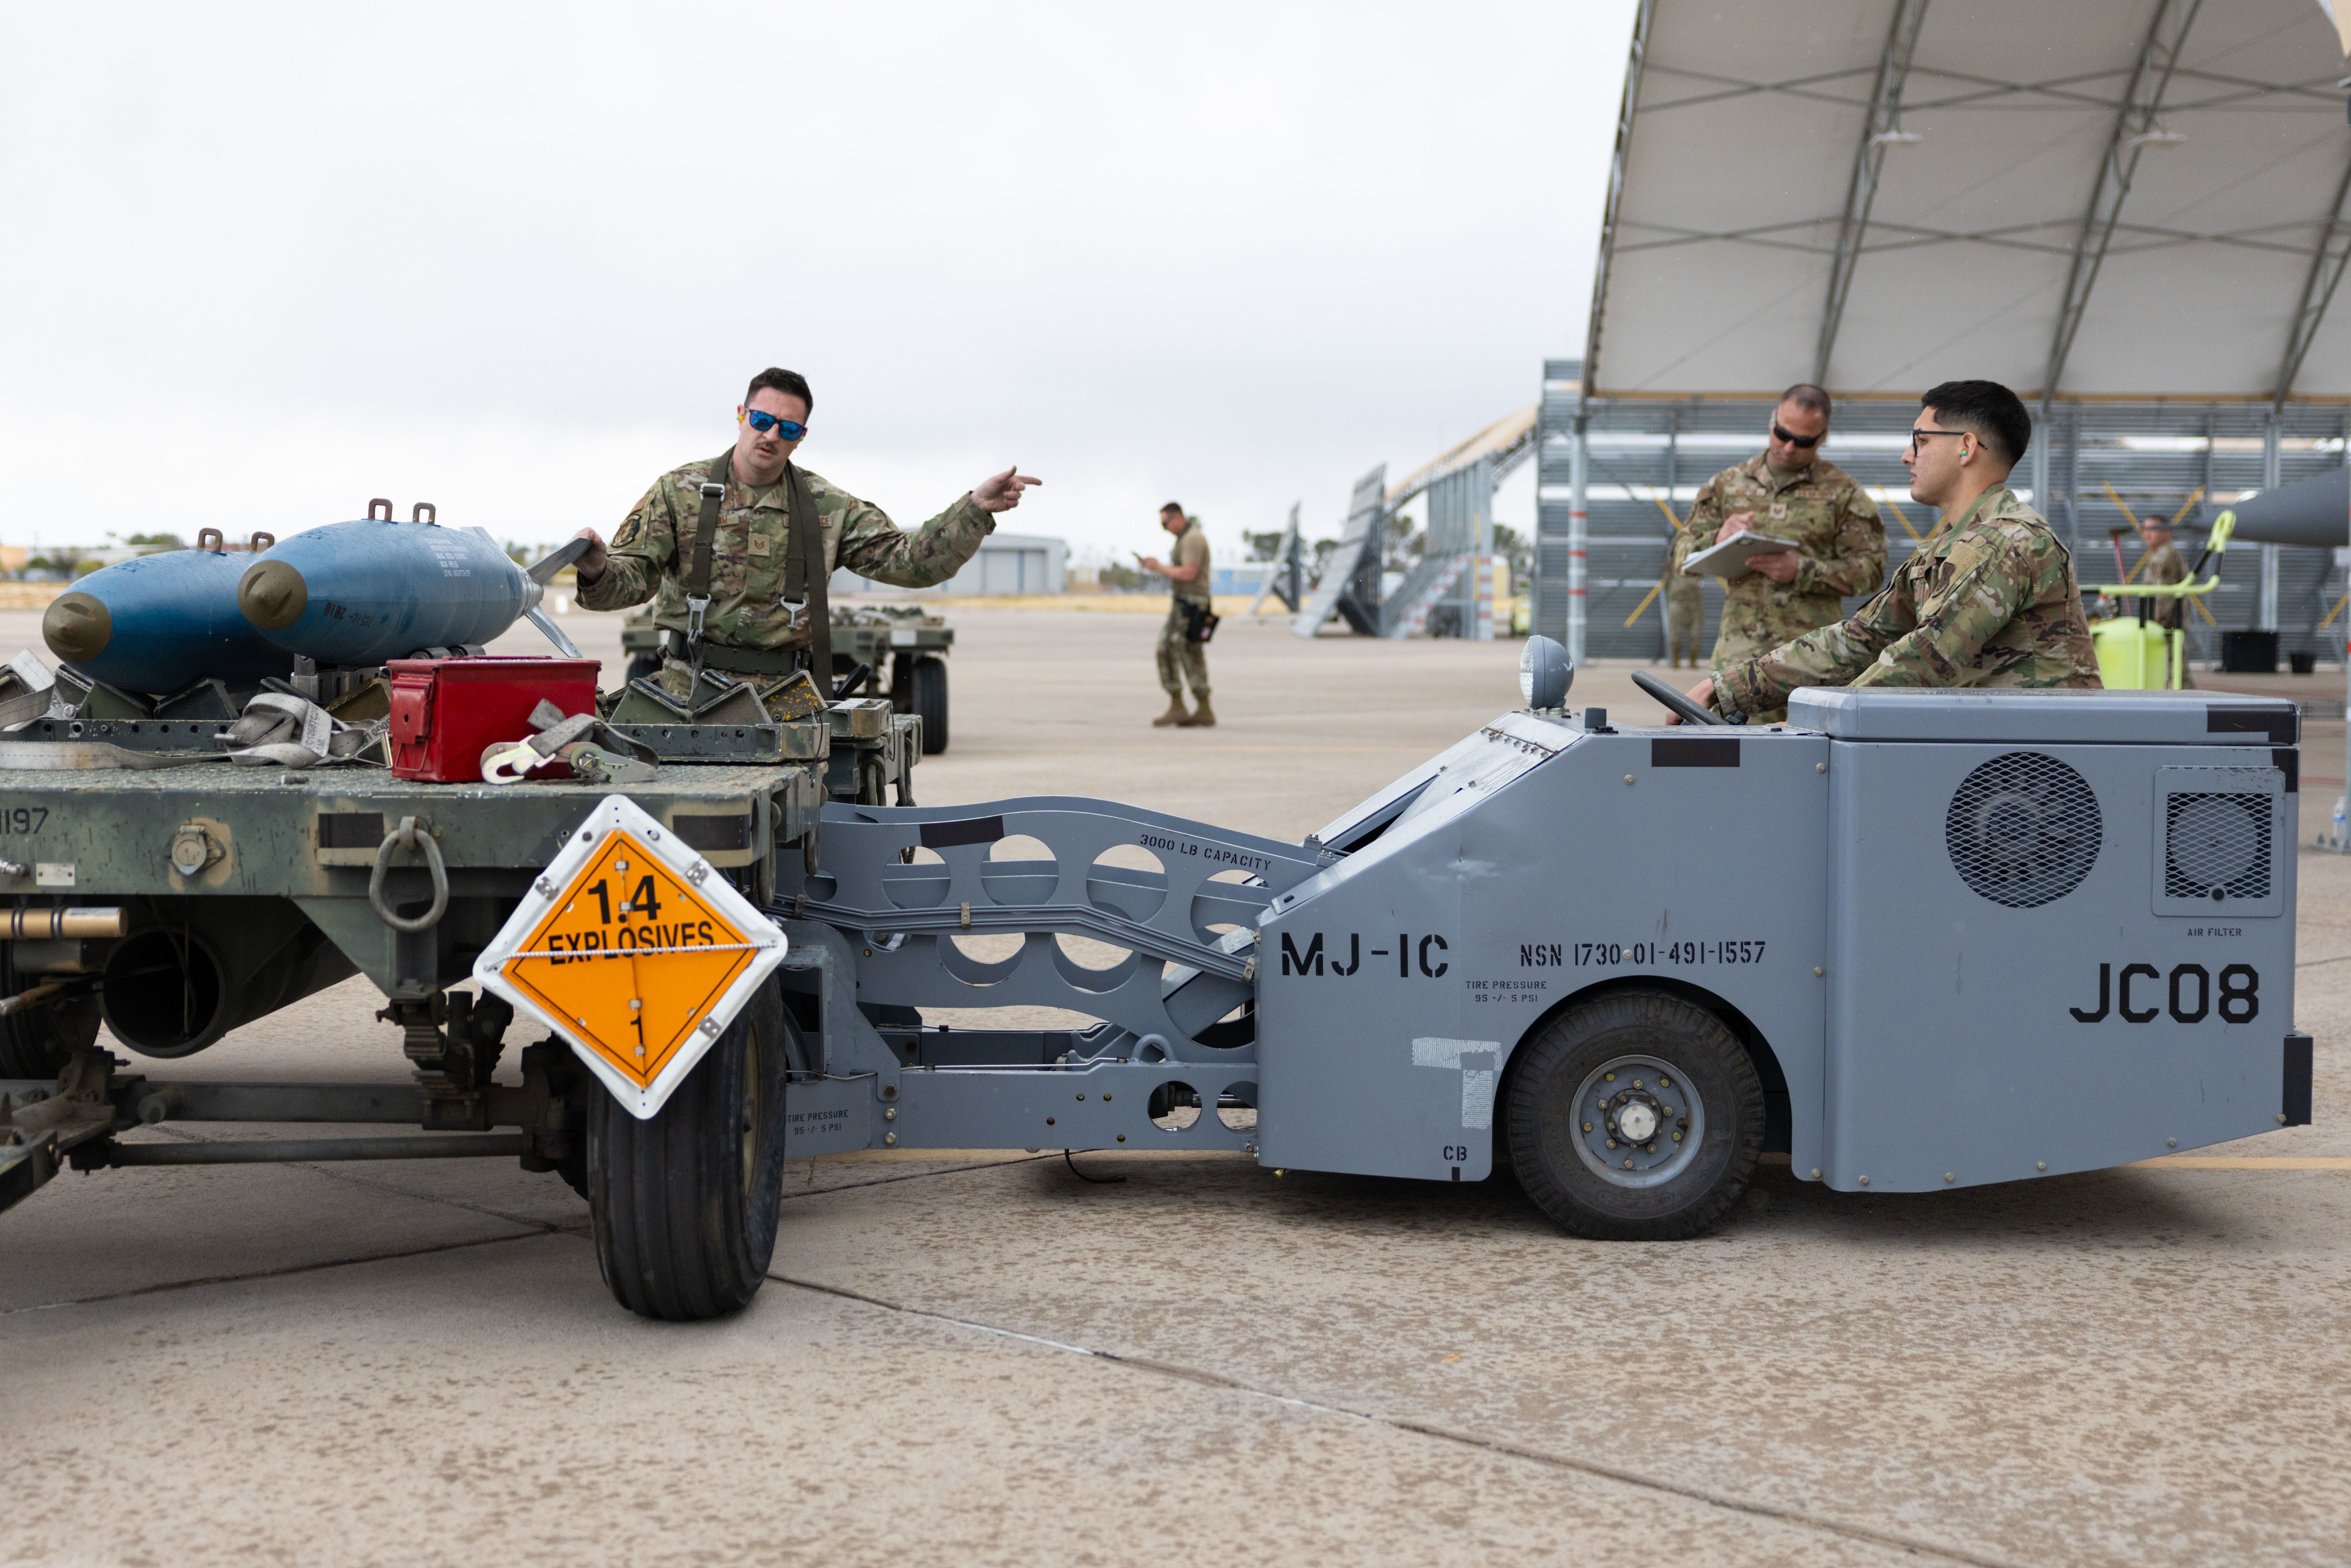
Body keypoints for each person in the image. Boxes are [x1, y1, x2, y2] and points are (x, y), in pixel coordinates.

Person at [572, 367, 1039, 712]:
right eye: (761, 420)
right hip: (687, 694)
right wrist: (596, 568)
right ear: (741, 414)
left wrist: (974, 510)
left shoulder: (826, 507)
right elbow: (629, 581)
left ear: (801, 437)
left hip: (788, 703)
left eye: (788, 429)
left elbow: (912, 562)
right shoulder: (678, 492)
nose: (770, 435)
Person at [1676, 379, 2099, 722]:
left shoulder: (2003, 542)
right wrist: (1729, 686)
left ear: (1965, 447)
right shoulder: (1948, 546)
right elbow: (1863, 637)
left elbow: (1922, 660)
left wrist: (1805, 723)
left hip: (2039, 772)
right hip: (1999, 754)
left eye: (1920, 440)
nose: (1905, 455)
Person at [1676, 384, 1886, 670]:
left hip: (1813, 660)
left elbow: (1871, 572)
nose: (1789, 448)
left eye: (1803, 442)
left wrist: (1802, 571)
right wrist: (1717, 538)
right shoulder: (1727, 485)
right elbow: (1681, 556)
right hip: (1739, 659)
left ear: (1823, 437)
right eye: (1783, 435)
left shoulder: (1843, 493)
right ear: (1772, 420)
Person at [1139, 502, 1214, 727]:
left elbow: (1189, 572)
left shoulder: (1191, 539)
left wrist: (1160, 568)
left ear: (1178, 518)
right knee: (1188, 652)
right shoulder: (1186, 538)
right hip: (1189, 604)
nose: (1165, 529)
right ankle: (1197, 707)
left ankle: (1185, 706)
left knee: (1170, 650)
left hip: (1191, 606)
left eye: (1166, 523)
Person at [1663, 550, 1705, 668]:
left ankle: (1693, 661)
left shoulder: (1698, 558)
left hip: (1695, 601)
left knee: (1696, 633)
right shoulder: (1672, 560)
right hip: (1678, 601)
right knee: (1675, 633)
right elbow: (1666, 577)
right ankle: (1676, 661)